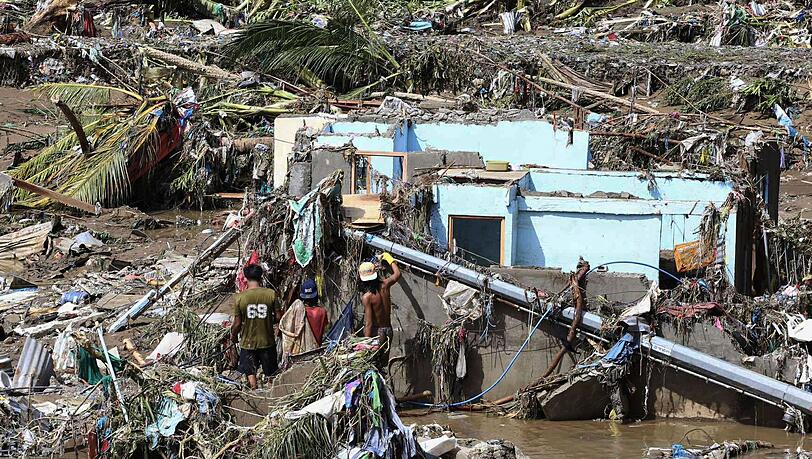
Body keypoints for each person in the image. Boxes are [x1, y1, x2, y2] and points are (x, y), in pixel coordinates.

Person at [230, 264, 281, 389]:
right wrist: (268, 319)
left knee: (251, 374)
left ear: (246, 278)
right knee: (271, 376)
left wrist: (233, 336)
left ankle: (254, 395)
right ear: (261, 277)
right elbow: (279, 317)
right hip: (267, 342)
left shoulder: (240, 298)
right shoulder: (271, 294)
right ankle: (271, 399)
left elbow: (237, 323)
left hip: (248, 343)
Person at [359, 252, 401, 367]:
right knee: (383, 365)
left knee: (372, 365)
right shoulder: (385, 285)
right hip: (389, 331)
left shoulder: (367, 297)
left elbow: (369, 323)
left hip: (377, 333)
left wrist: (365, 344)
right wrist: (389, 259)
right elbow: (397, 274)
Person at [300, 278, 329, 346]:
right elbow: (325, 329)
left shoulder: (300, 312)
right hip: (317, 349)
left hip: (302, 350)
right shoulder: (322, 312)